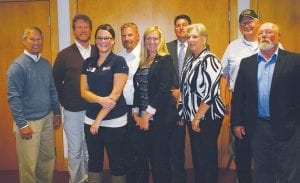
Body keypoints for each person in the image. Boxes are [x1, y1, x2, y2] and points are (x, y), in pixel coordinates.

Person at [231, 22, 300, 183]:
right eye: (261, 33)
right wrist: (237, 123)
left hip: (288, 128)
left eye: (269, 32)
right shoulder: (247, 63)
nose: (264, 35)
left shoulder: (294, 61)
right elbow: (239, 96)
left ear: (278, 37)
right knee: (262, 171)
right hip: (257, 128)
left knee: (289, 172)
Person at [7, 26, 61, 183]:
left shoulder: (45, 64)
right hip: (28, 122)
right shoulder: (17, 66)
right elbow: (13, 97)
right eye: (32, 39)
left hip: (46, 120)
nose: (36, 42)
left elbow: (52, 89)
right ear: (24, 41)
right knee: (29, 165)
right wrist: (22, 124)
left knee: (47, 160)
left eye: (39, 39)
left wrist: (56, 112)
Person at [80, 24, 128, 183]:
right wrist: (100, 100)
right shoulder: (88, 62)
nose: (103, 41)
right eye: (99, 37)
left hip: (114, 121)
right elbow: (83, 91)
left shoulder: (119, 61)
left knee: (117, 161)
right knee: (94, 160)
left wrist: (98, 120)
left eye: (107, 37)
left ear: (113, 41)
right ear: (95, 40)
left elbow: (115, 95)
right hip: (90, 120)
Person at [178, 23, 225, 183]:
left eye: (195, 36)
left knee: (207, 158)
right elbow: (184, 90)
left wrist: (197, 116)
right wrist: (184, 114)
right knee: (198, 158)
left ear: (204, 39)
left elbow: (211, 92)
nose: (190, 39)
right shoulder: (191, 60)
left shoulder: (210, 59)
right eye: (189, 36)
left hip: (207, 117)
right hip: (193, 117)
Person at [53, 14, 96, 183]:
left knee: (90, 149)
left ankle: (89, 178)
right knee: (75, 150)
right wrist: (65, 101)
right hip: (73, 111)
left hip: (94, 110)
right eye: (79, 27)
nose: (83, 30)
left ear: (90, 30)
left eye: (86, 27)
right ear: (74, 30)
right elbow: (55, 83)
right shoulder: (64, 55)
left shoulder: (98, 51)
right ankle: (77, 180)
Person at [132, 25, 177, 183]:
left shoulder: (165, 59)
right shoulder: (143, 61)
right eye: (148, 38)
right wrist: (136, 114)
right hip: (142, 119)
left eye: (155, 38)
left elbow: (164, 90)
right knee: (142, 161)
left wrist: (147, 116)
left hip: (159, 120)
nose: (152, 41)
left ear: (161, 40)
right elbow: (138, 89)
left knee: (160, 163)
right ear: (144, 41)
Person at [221, 9, 260, 183]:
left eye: (250, 21)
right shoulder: (233, 47)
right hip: (240, 103)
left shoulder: (270, 43)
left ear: (258, 23)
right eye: (243, 21)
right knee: (241, 149)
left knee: (264, 149)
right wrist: (223, 99)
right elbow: (224, 75)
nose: (247, 24)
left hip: (264, 101)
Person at [166, 15, 192, 183]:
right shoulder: (166, 47)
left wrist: (183, 93)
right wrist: (172, 92)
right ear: (174, 29)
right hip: (171, 104)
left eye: (184, 25)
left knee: (197, 148)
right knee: (175, 147)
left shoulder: (199, 46)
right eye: (178, 25)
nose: (181, 28)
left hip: (193, 104)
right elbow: (161, 74)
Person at [117, 23, 142, 183]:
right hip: (121, 109)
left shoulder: (145, 56)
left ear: (137, 36)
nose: (127, 39)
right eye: (124, 35)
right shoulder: (118, 57)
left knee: (139, 151)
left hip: (139, 110)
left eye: (130, 35)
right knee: (124, 149)